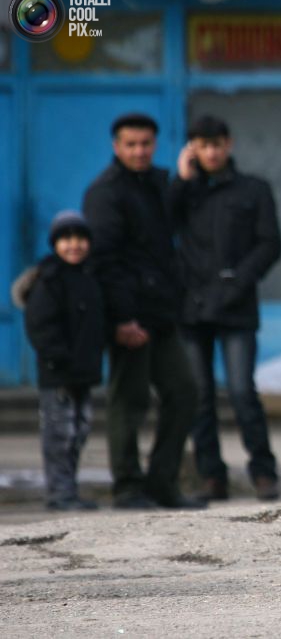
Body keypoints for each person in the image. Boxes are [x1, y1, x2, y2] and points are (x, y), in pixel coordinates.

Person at [82, 113, 204, 510]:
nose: (139, 151)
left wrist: (184, 182)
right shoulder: (106, 193)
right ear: (116, 146)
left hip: (161, 313)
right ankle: (128, 487)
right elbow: (103, 261)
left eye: (146, 144)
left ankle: (162, 483)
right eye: (131, 145)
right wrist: (120, 320)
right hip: (129, 316)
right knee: (129, 401)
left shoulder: (155, 184)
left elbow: (169, 228)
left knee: (184, 392)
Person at [170, 115, 281, 502]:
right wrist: (182, 182)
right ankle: (211, 477)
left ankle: (264, 473)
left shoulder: (253, 190)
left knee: (241, 391)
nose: (212, 152)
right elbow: (160, 227)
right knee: (198, 395)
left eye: (217, 144)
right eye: (203, 145)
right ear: (192, 149)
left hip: (236, 308)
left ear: (228, 144)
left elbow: (270, 244)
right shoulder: (183, 192)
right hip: (192, 308)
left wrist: (238, 280)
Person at [15, 211, 103, 511]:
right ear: (55, 244)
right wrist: (58, 360)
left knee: (79, 432)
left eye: (80, 238)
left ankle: (69, 489)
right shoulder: (49, 280)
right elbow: (40, 327)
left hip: (83, 374)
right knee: (59, 435)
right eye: (66, 239)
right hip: (58, 376)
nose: (74, 245)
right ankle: (59, 493)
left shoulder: (90, 277)